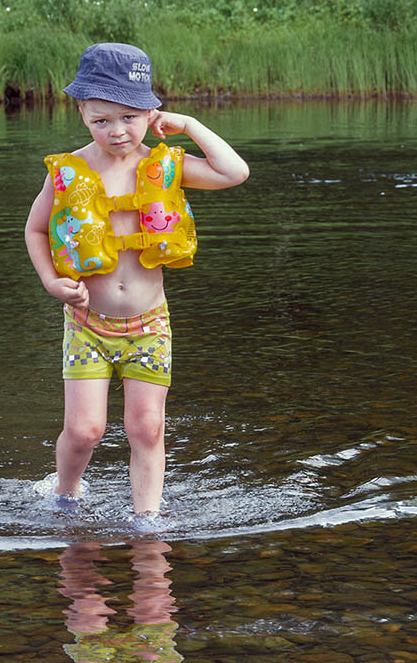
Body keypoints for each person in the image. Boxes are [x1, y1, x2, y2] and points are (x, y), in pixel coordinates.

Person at [25, 43, 249, 528]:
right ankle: (66, 493)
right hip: (87, 323)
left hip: (150, 324)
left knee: (146, 427)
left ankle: (147, 518)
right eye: (100, 119)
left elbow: (235, 172)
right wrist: (50, 280)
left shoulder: (166, 166)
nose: (116, 131)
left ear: (151, 113)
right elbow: (36, 229)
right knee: (84, 430)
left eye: (129, 117)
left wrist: (189, 126)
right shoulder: (66, 172)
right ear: (82, 112)